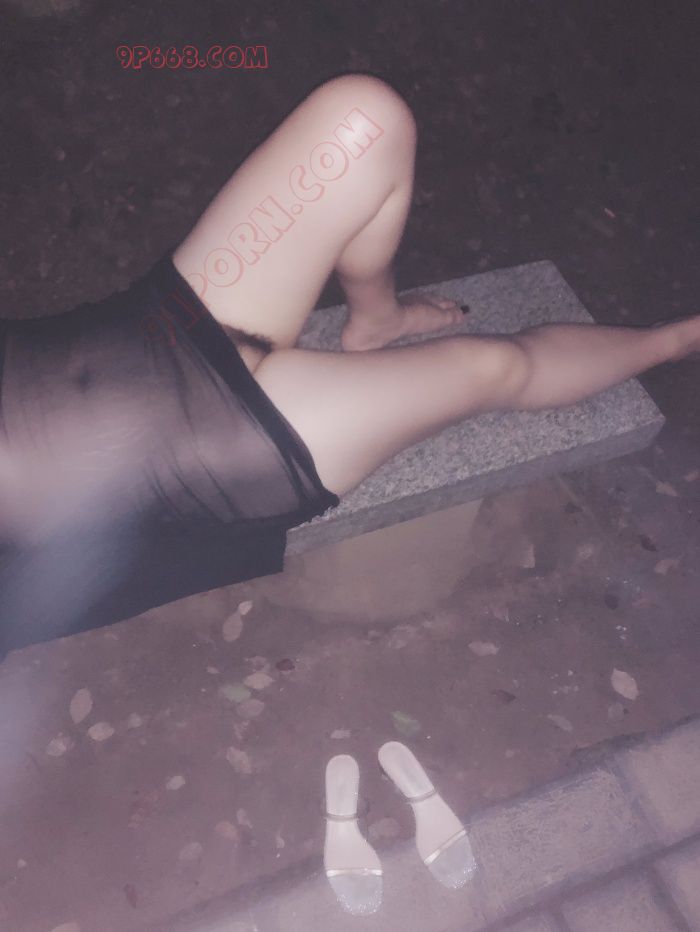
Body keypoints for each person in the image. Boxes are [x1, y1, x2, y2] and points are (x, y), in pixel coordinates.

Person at [1, 73, 698, 660]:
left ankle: (377, 318)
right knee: (493, 367)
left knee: (364, 120)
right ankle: (673, 343)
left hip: (155, 329)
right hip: (202, 465)